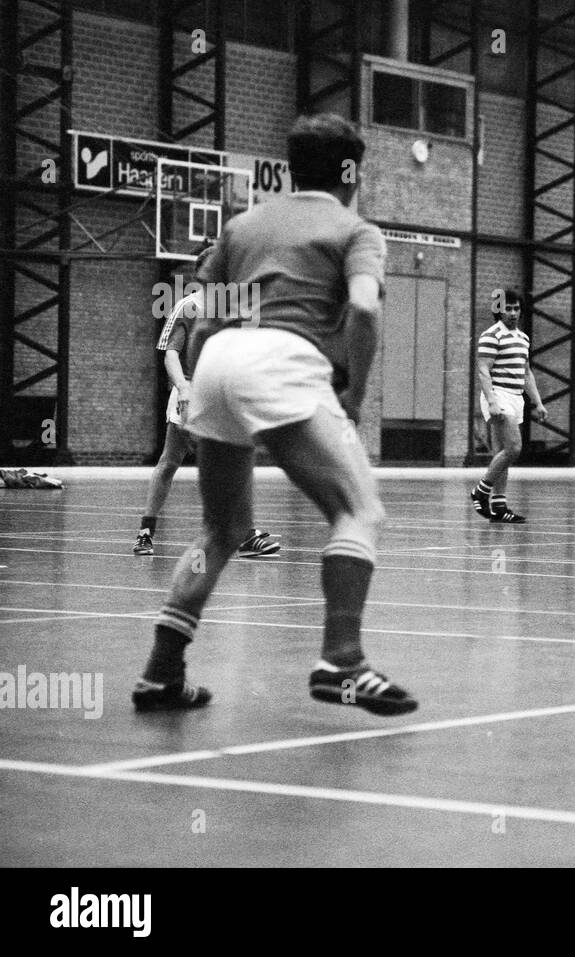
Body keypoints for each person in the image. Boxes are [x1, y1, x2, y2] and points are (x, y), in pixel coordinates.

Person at [131, 113, 416, 716]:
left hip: (217, 362)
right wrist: (356, 397)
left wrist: (206, 392)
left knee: (223, 529)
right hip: (282, 360)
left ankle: (161, 671)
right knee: (358, 510)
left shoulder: (242, 226)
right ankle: (342, 661)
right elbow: (364, 311)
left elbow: (205, 320)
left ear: (293, 169)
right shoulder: (357, 230)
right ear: (351, 171)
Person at [133, 248, 280, 559]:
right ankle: (240, 534)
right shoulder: (189, 307)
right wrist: (184, 387)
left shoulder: (236, 309)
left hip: (223, 396)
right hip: (192, 395)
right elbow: (171, 353)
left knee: (181, 462)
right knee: (182, 462)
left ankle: (150, 531)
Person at [470, 288, 547, 523]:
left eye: (516, 308)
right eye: (508, 308)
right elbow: (483, 369)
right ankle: (480, 492)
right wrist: (492, 400)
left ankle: (499, 506)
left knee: (502, 453)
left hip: (515, 397)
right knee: (514, 448)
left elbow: (526, 373)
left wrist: (538, 402)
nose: (513, 313)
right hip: (499, 396)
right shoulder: (492, 335)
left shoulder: (523, 338)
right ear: (498, 310)